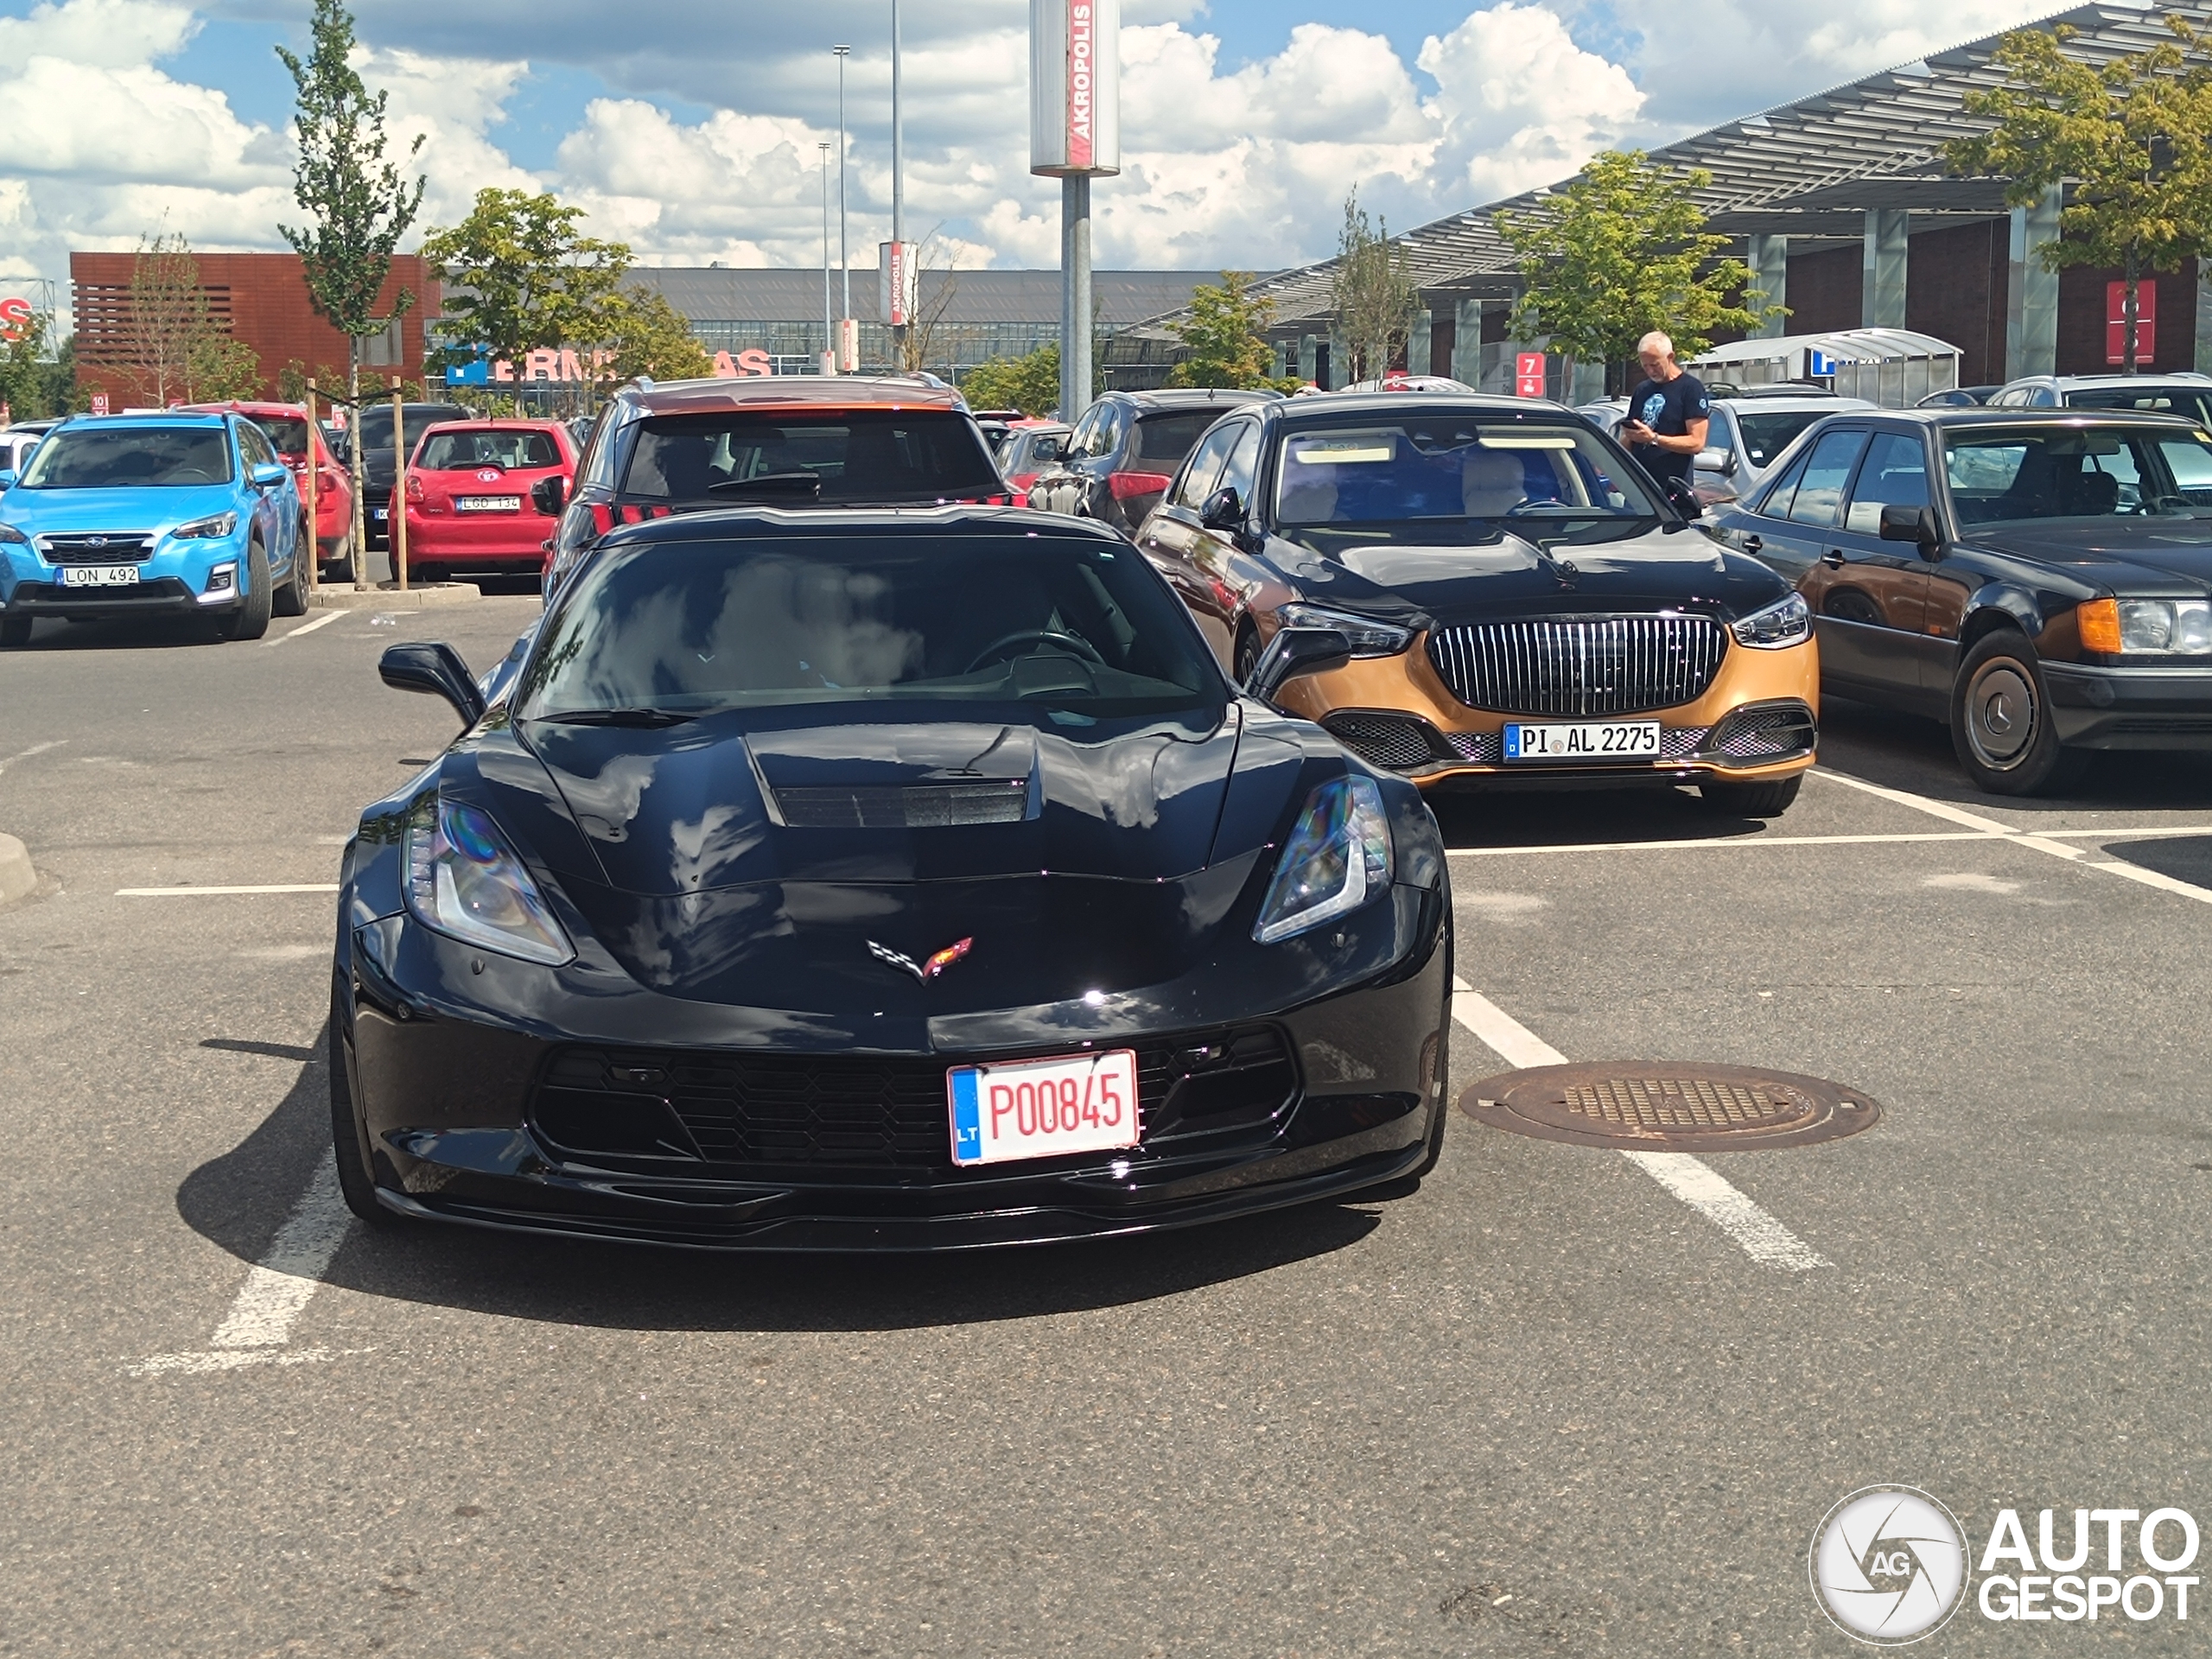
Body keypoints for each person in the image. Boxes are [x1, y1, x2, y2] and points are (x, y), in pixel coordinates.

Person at [1618, 331, 1709, 492]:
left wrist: (1654, 438)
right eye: (1645, 366)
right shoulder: (1642, 390)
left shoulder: (1690, 389)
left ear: (1670, 357)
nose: (1650, 371)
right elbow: (1630, 438)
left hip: (1672, 489)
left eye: (1654, 365)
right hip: (1640, 487)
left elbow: (1697, 442)